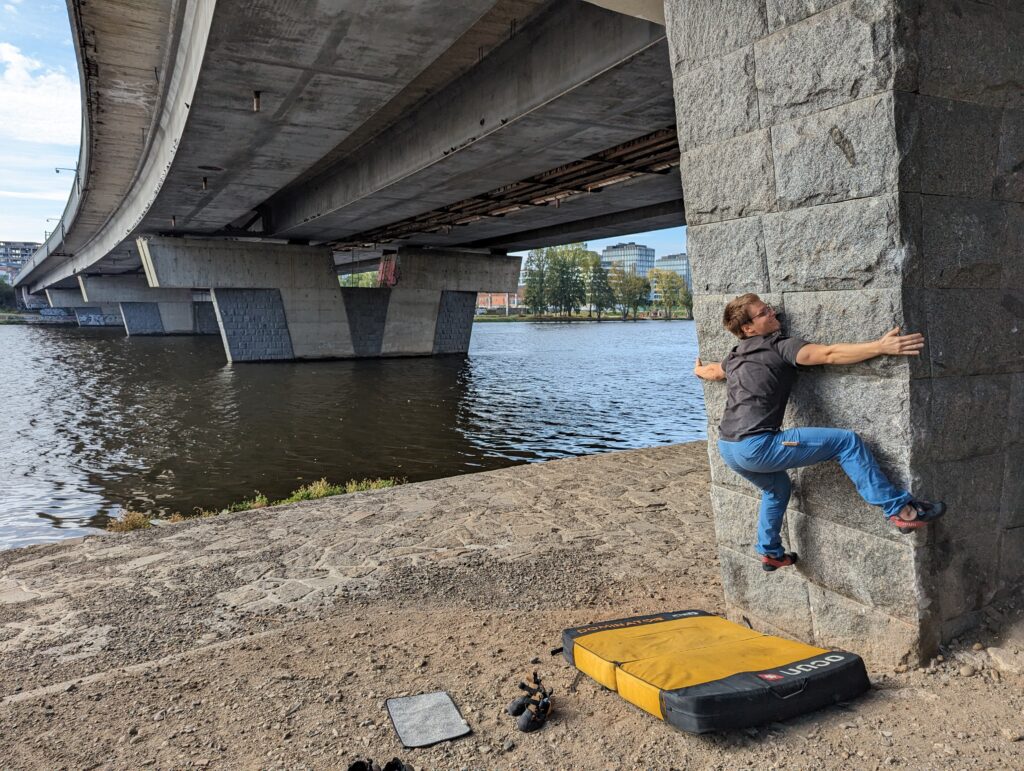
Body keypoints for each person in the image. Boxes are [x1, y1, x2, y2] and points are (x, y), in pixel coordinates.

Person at [693, 293, 946, 572]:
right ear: (748, 329)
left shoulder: (736, 355)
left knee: (778, 489)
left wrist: (700, 371)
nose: (773, 312)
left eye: (768, 308)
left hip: (729, 448)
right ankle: (901, 511)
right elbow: (829, 354)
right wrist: (881, 346)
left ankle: (770, 552)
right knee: (847, 443)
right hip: (757, 446)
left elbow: (717, 371)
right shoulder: (780, 347)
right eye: (764, 312)